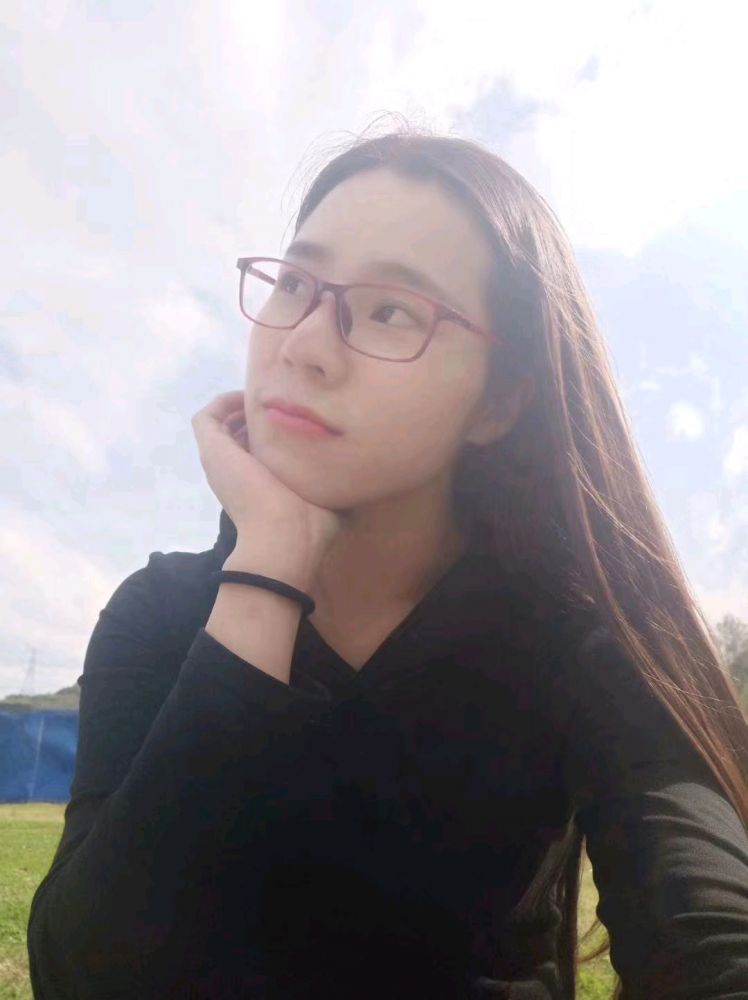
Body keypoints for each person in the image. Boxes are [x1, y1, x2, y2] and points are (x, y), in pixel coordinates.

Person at [27, 119, 748, 1000]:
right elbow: (86, 974)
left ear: (499, 403)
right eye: (295, 284)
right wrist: (268, 567)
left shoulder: (575, 640)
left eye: (390, 310)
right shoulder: (163, 610)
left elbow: (708, 945)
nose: (303, 345)